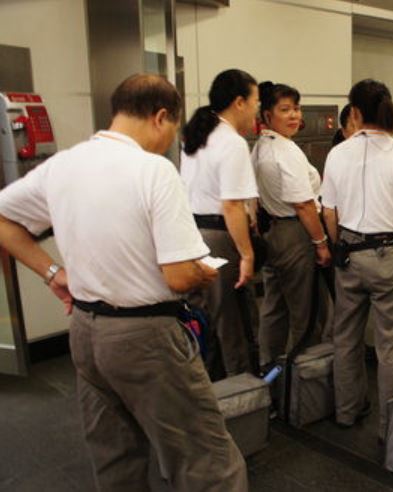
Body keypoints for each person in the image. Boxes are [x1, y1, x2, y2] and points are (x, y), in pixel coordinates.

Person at [0, 74, 248, 490]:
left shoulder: (64, 164)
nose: (169, 140)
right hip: (146, 338)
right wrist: (203, 272)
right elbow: (179, 276)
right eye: (172, 128)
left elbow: (4, 219)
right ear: (161, 117)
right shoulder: (154, 170)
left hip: (84, 331)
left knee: (116, 456)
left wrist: (52, 273)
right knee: (207, 461)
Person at [321, 79, 393, 441]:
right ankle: (390, 428)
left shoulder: (337, 154)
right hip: (392, 257)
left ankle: (347, 410)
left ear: (354, 113)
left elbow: (329, 211)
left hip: (349, 254)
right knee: (391, 346)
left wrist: (339, 246)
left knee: (345, 337)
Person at [181, 69, 260, 380]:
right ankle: (242, 390)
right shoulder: (231, 142)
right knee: (234, 321)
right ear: (239, 102)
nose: (256, 110)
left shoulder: (197, 135)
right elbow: (232, 206)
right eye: (255, 102)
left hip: (192, 237)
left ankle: (210, 386)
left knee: (206, 318)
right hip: (220, 239)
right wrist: (247, 255)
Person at [252, 81, 332, 365]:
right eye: (285, 110)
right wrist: (321, 243)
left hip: (272, 231)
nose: (294, 115)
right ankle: (306, 374)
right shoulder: (286, 150)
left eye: (296, 108)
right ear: (267, 115)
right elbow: (304, 205)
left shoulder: (261, 146)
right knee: (304, 311)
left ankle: (269, 367)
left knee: (274, 306)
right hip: (295, 232)